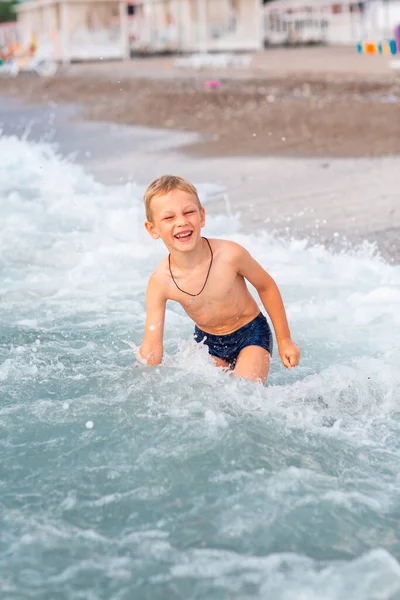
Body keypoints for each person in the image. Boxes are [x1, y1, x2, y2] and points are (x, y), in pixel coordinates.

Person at [138, 175, 300, 384]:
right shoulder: (160, 282)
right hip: (207, 342)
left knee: (245, 392)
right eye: (169, 218)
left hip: (250, 334)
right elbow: (152, 345)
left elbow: (265, 286)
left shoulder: (229, 255)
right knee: (210, 399)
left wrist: (284, 340)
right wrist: (144, 378)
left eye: (188, 212)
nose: (181, 222)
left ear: (202, 216)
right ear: (153, 229)